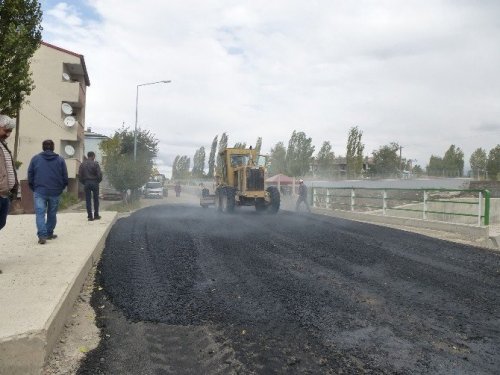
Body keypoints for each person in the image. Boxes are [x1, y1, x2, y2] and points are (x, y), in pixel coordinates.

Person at [28, 140, 68, 244]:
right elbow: (65, 177)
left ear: (43, 147)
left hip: (40, 190)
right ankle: (49, 233)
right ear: (53, 147)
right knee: (52, 213)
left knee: (40, 213)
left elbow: (30, 174)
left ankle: (42, 235)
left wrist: (34, 187)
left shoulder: (35, 159)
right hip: (55, 191)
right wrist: (61, 188)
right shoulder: (60, 160)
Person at [0, 115, 18, 232]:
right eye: (6, 130)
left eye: (10, 132)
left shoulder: (3, 145)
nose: (8, 134)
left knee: (1, 223)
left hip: (5, 194)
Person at [78, 151, 102, 221]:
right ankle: (96, 215)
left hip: (87, 183)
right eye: (94, 156)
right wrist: (97, 181)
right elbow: (99, 175)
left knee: (88, 200)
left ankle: (90, 216)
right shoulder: (95, 164)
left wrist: (84, 182)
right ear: (93, 156)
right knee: (96, 199)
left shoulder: (82, 164)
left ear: (88, 156)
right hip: (94, 182)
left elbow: (80, 176)